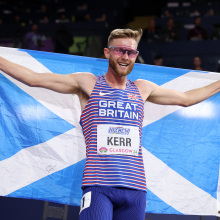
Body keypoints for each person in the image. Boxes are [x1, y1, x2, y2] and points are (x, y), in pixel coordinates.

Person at [0, 28, 220, 220]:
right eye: (119, 50)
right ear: (107, 52)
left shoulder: (143, 88)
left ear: (136, 56)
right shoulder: (88, 83)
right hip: (98, 188)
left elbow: (186, 99)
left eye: (131, 52)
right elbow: (33, 78)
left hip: (136, 190)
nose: (125, 56)